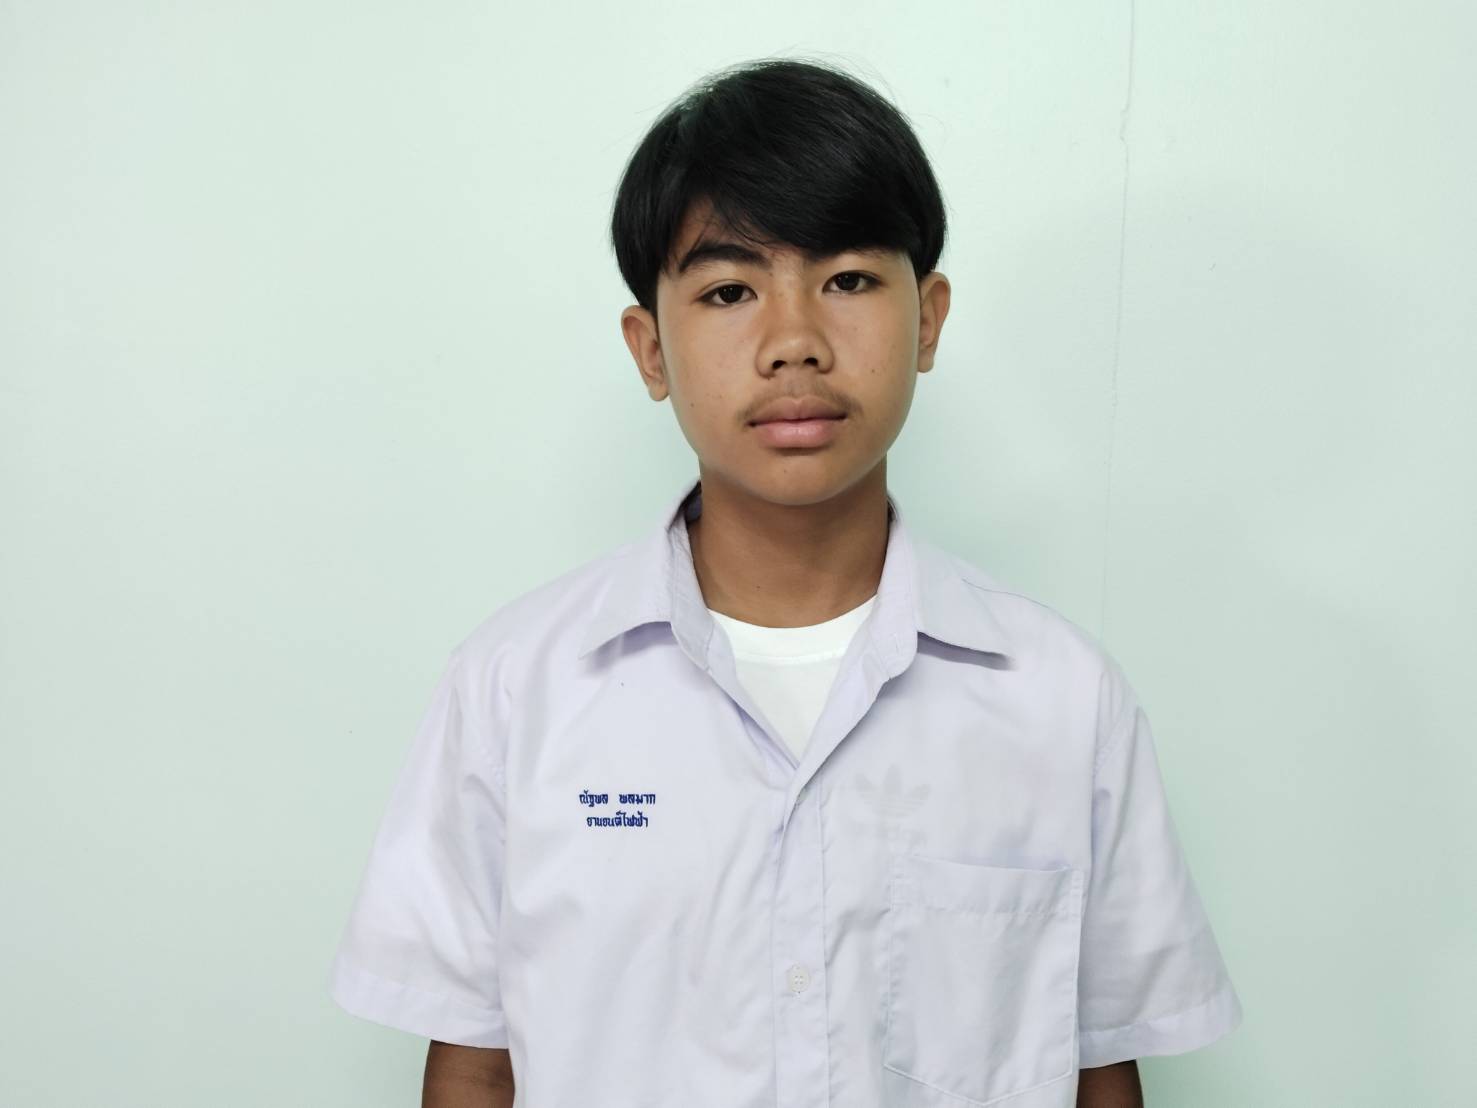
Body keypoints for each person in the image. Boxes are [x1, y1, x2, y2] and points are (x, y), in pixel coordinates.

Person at [327, 56, 1243, 1108]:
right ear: (650, 349)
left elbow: (1097, 1071)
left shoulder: (1060, 699)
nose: (794, 343)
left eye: (848, 280)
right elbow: (475, 1069)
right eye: (728, 291)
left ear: (929, 317)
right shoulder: (515, 688)